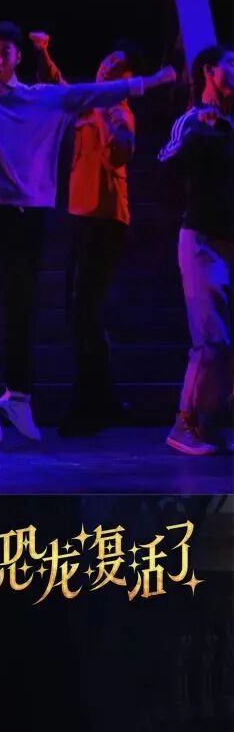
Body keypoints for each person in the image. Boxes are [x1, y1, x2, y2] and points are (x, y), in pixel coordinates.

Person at [0, 23, 174, 445]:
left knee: (22, 307)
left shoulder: (43, 98)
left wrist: (152, 82)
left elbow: (96, 92)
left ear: (17, 57)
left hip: (31, 215)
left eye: (4, 52)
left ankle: (18, 395)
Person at [29, 32, 138, 436]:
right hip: (82, 217)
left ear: (127, 79)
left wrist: (107, 115)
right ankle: (102, 397)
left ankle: (93, 402)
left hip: (105, 220)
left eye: (117, 66)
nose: (106, 67)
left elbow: (122, 151)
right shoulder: (88, 105)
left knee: (85, 312)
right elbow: (59, 88)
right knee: (80, 313)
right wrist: (43, 52)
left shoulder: (119, 113)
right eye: (106, 60)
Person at [158, 43, 234, 456]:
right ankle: (183, 424)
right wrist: (200, 134)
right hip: (203, 241)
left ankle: (213, 423)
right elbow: (166, 164)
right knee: (212, 339)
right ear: (209, 71)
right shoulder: (192, 121)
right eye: (232, 64)